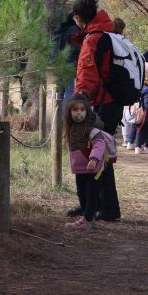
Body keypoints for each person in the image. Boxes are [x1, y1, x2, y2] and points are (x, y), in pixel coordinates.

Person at [72, 0, 122, 221]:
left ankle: (104, 208)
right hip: (113, 102)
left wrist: (79, 103)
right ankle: (95, 205)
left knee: (96, 154)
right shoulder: (110, 33)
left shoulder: (93, 39)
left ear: (78, 18)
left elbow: (87, 74)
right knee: (100, 153)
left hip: (102, 103)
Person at [63, 93, 112, 231]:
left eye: (82, 109)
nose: (79, 112)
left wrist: (94, 159)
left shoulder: (91, 129)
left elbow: (99, 144)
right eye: (75, 109)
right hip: (80, 169)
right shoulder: (72, 128)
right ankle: (88, 218)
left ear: (87, 111)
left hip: (92, 168)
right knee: (81, 193)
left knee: (91, 194)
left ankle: (87, 219)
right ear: (69, 112)